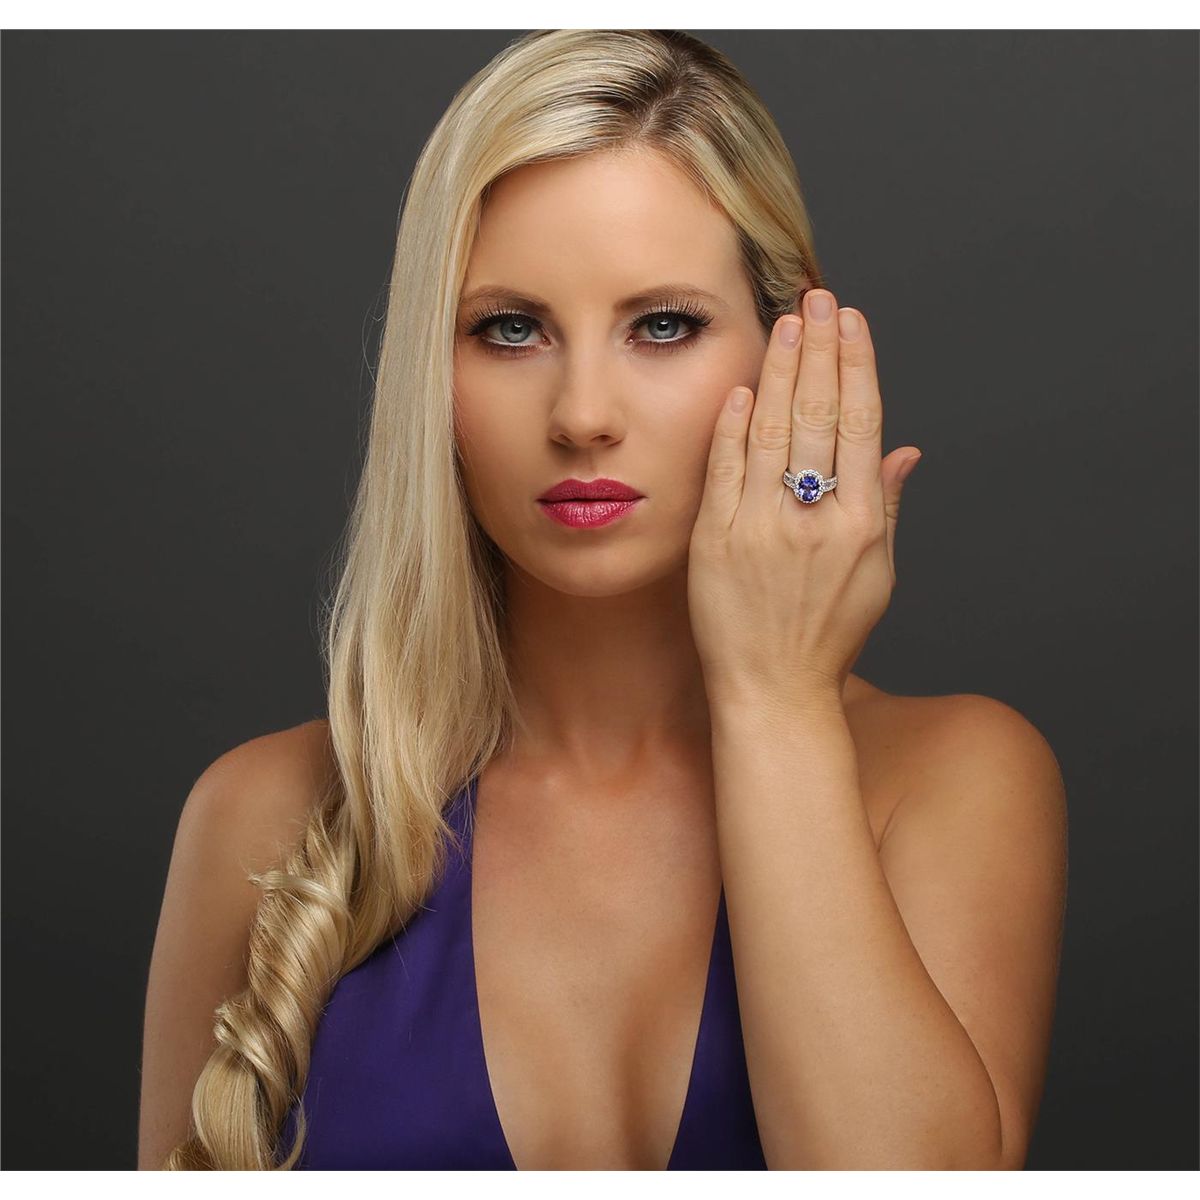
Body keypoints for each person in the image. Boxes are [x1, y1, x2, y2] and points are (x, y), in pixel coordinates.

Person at [139, 29, 1068, 1171]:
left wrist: (776, 698)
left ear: (795, 353)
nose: (583, 414)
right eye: (509, 329)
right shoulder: (259, 815)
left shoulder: (954, 780)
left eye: (662, 325)